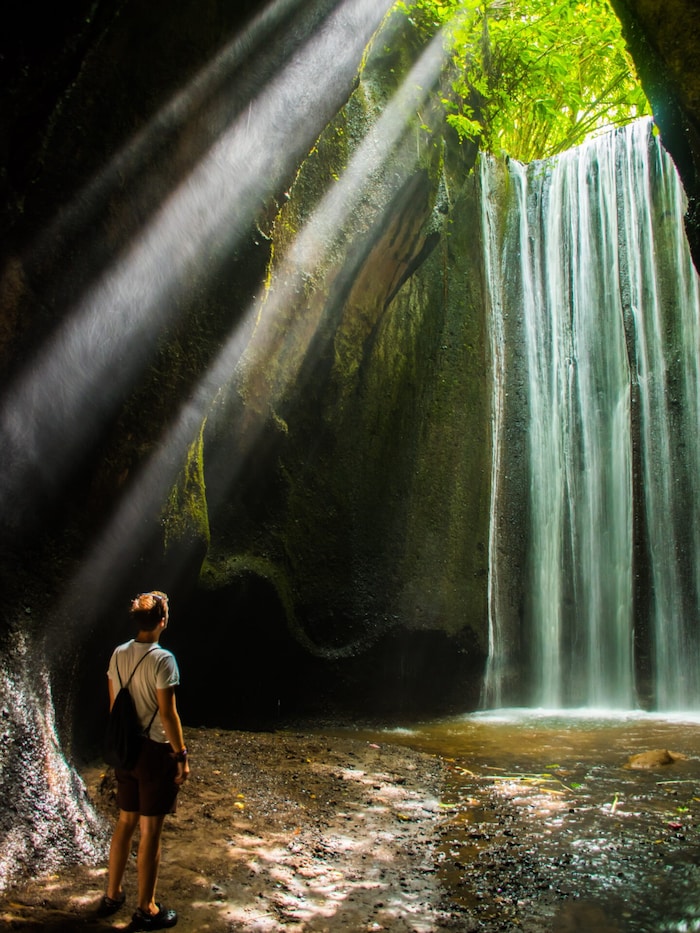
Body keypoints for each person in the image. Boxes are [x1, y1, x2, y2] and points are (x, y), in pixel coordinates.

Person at [99, 590, 190, 931]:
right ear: (162, 621)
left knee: (125, 822)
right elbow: (168, 713)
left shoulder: (118, 654)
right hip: (153, 753)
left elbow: (114, 708)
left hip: (126, 750)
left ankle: (112, 895)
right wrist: (180, 755)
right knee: (150, 830)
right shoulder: (163, 659)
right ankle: (146, 908)